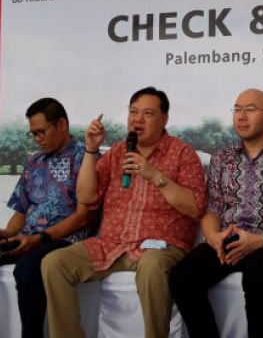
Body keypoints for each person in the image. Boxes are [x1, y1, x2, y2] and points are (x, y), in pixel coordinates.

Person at [41, 86, 206, 338]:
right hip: (112, 244)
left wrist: (154, 175)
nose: (137, 120)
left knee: (152, 265)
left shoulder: (183, 153)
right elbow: (86, 197)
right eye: (133, 112)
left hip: (160, 246)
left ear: (164, 119)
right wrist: (91, 150)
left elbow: (195, 207)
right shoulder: (118, 152)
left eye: (147, 113)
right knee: (54, 263)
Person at [0, 98, 95, 338]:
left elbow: (83, 218)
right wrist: (8, 234)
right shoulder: (35, 161)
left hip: (63, 241)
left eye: (41, 132)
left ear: (62, 124)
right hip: (26, 239)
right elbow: (21, 210)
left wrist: (39, 238)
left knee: (26, 269)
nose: (37, 139)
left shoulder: (86, 159)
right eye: (32, 134)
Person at [169, 88, 263, 338]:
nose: (242, 116)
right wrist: (213, 237)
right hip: (230, 239)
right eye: (237, 109)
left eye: (250, 110)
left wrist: (261, 240)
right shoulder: (222, 158)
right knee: (183, 277)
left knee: (258, 272)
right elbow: (212, 209)